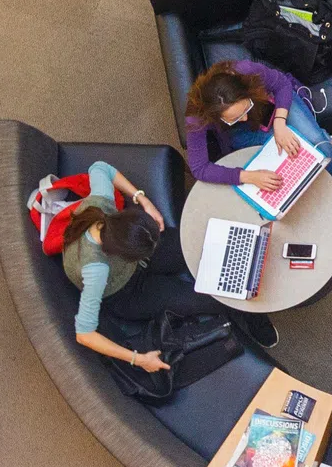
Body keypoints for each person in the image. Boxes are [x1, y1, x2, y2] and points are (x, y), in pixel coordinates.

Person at [57, 160, 269, 374]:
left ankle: (245, 292)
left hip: (132, 258)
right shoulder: (95, 270)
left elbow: (100, 167)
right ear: (126, 254)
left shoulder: (102, 204)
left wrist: (143, 200)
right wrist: (138, 359)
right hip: (125, 291)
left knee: (205, 243)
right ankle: (247, 311)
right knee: (208, 300)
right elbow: (84, 334)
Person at [184, 59, 332, 237]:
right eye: (234, 118)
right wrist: (247, 176)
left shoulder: (245, 71)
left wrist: (280, 123)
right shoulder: (197, 116)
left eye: (245, 108)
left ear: (245, 92)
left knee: (317, 141)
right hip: (241, 133)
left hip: (271, 106)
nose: (243, 118)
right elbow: (199, 168)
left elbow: (281, 84)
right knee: (291, 153)